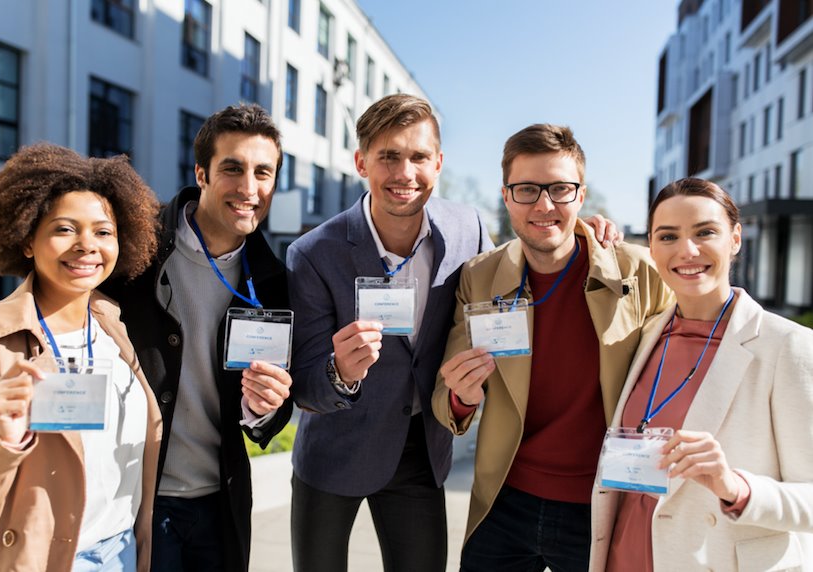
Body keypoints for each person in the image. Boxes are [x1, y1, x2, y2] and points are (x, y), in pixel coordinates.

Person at [432, 123, 674, 571]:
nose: (544, 205)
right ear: (506, 198)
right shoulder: (479, 276)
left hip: (602, 501)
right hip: (504, 501)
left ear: (581, 196)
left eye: (560, 189)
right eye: (526, 189)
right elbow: (448, 401)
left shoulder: (638, 272)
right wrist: (462, 397)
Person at [285, 93, 493, 572]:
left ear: (438, 163)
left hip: (422, 449)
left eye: (419, 156)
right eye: (389, 157)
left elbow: (515, 276)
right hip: (335, 450)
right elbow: (308, 385)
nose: (405, 173)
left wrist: (586, 235)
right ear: (361, 162)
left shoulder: (469, 228)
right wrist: (339, 372)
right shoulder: (313, 253)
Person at [0, 143, 162, 571]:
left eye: (103, 232)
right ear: (28, 241)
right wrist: (1, 441)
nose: (87, 245)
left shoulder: (113, 329)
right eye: (65, 229)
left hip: (120, 551)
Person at [103, 104, 293, 571]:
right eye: (233, 168)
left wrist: (265, 406)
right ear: (201, 174)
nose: (249, 188)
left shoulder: (273, 281)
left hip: (220, 504)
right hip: (134, 499)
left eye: (262, 172)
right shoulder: (134, 250)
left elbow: (276, 407)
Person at [589, 178, 813, 571]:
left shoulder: (787, 346)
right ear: (653, 249)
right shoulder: (647, 336)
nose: (687, 250)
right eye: (668, 236)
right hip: (624, 557)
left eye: (705, 232)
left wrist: (735, 486)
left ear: (735, 239)